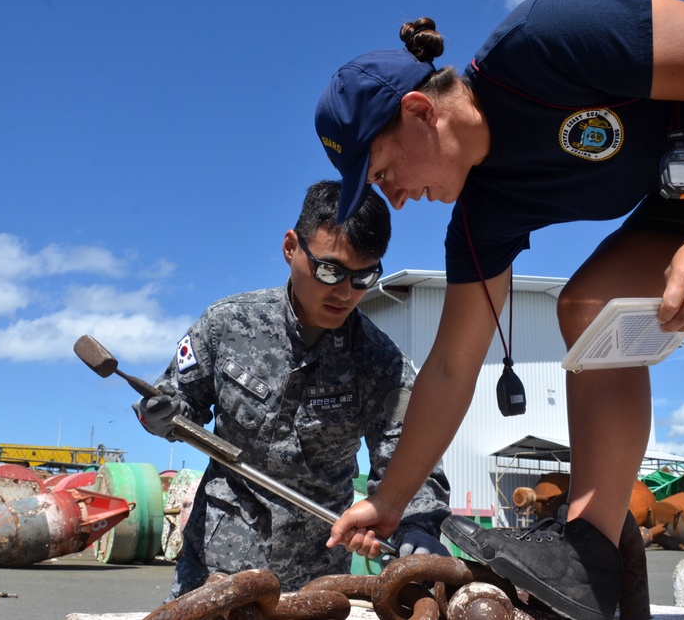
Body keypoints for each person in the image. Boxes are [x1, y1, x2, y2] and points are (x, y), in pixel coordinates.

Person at [314, 0, 684, 620]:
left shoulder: (544, 43)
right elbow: (449, 369)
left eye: (384, 173)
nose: (397, 198)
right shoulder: (482, 214)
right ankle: (590, 556)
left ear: (419, 111)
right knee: (587, 311)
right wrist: (387, 502)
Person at [133, 180, 451, 598]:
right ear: (290, 248)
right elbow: (178, 403)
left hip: (316, 582)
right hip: (213, 569)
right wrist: (160, 414)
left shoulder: (381, 363)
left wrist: (417, 524)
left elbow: (410, 452)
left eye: (364, 277)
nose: (344, 292)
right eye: (330, 270)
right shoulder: (226, 326)